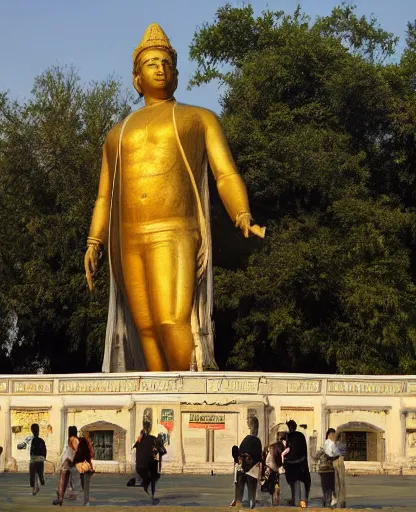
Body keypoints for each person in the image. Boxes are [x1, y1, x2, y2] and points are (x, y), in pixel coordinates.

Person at [85, 23, 264, 373]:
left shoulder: (197, 118)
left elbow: (226, 173)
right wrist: (94, 241)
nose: (160, 69)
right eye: (151, 63)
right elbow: (104, 195)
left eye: (166, 62)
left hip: (173, 229)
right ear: (137, 78)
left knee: (171, 319)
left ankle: (185, 394)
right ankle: (159, 399)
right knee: (147, 328)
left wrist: (242, 213)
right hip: (129, 237)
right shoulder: (116, 134)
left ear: (177, 74)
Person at [231, 417, 262, 509]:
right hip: (252, 470)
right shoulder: (257, 441)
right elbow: (259, 458)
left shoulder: (246, 440)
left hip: (243, 470)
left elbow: (239, 453)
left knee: (241, 489)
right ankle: (250, 502)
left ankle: (241, 502)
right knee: (251, 491)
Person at [282, 420, 311, 507]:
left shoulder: (289, 436)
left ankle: (295, 500)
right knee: (303, 482)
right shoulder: (301, 435)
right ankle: (303, 501)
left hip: (292, 463)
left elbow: (289, 449)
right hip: (301, 462)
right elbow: (304, 450)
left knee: (293, 482)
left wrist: (285, 460)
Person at [135, 421, 163, 503]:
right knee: (154, 477)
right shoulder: (153, 439)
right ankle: (152, 495)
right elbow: (160, 450)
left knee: (150, 476)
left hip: (139, 466)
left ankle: (145, 483)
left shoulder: (139, 440)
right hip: (148, 465)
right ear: (150, 428)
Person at [53, 425, 79, 506]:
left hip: (68, 461)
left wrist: (71, 461)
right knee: (65, 480)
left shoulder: (72, 439)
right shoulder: (75, 440)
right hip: (69, 462)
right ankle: (61, 497)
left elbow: (75, 451)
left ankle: (60, 497)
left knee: (62, 480)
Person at [314, 428, 341, 507]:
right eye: (332, 435)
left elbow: (316, 457)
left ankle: (327, 503)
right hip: (327, 470)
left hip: (327, 470)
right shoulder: (329, 445)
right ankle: (327, 503)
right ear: (329, 435)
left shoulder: (328, 445)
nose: (333, 437)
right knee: (328, 488)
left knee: (328, 488)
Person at [261, 431, 285, 506]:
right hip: (274, 469)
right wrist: (280, 466)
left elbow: (264, 457)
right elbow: (279, 460)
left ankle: (274, 501)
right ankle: (275, 502)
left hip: (268, 468)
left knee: (272, 485)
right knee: (275, 485)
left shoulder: (271, 446)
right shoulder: (279, 446)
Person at [74, 430, 95, 506]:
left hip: (81, 465)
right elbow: (89, 454)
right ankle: (86, 501)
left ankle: (84, 500)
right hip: (85, 465)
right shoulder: (84, 442)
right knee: (85, 484)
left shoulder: (82, 442)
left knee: (82, 482)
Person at [29, 423, 47, 496]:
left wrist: (31, 457)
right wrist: (44, 457)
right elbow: (44, 450)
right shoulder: (41, 440)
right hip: (40, 459)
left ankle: (35, 487)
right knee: (39, 473)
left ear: (32, 431)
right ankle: (40, 482)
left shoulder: (33, 440)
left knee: (34, 473)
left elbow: (31, 452)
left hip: (34, 459)